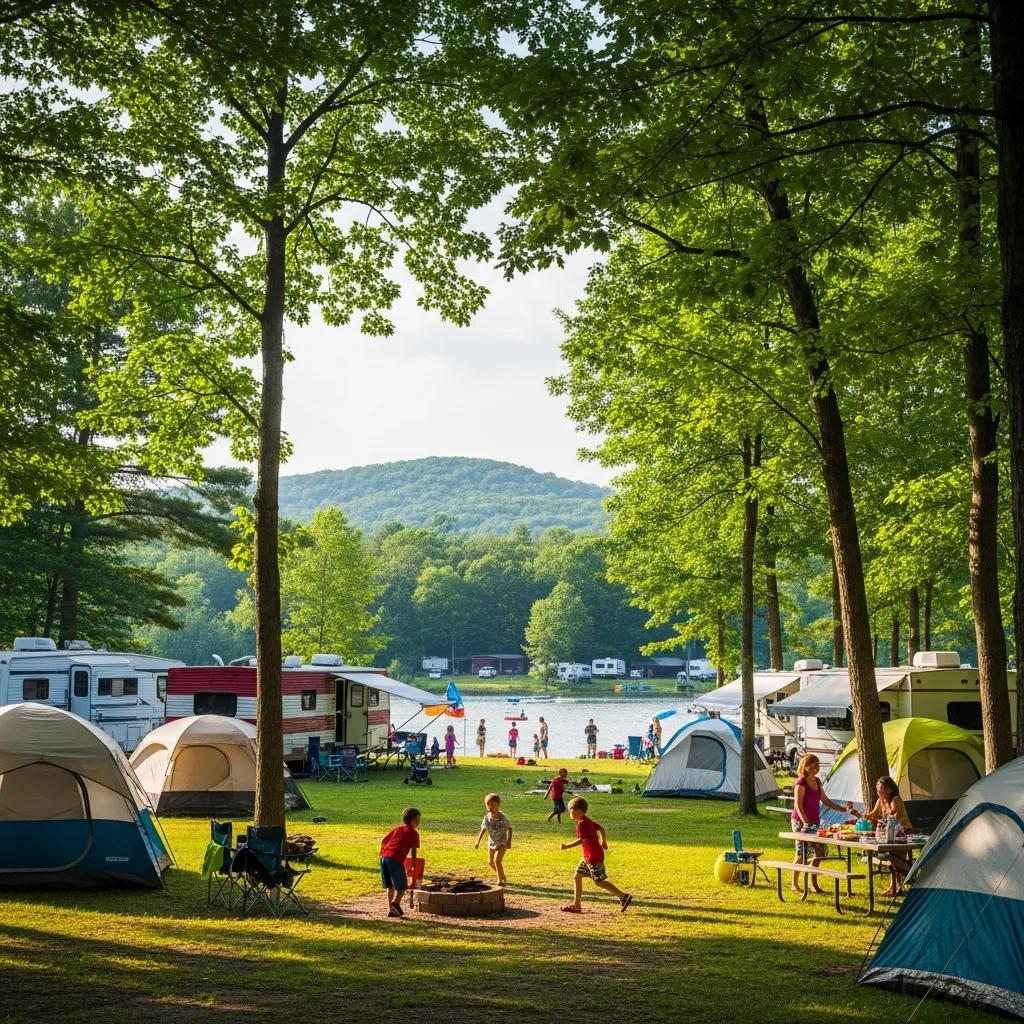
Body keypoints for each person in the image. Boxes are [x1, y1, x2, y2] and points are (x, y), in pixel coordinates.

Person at [791, 754, 853, 894]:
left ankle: (813, 883)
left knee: (820, 852)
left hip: (815, 821)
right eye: (811, 766)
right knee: (802, 853)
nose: (814, 769)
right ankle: (794, 883)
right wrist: (805, 822)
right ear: (805, 767)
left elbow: (826, 801)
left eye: (816, 766)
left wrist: (842, 809)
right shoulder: (801, 783)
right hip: (800, 821)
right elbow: (798, 805)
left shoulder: (818, 782)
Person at [559, 796, 631, 913]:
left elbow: (582, 840)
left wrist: (566, 846)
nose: (569, 813)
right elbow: (601, 828)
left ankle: (623, 896)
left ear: (578, 811)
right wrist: (604, 842)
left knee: (599, 881)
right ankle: (576, 905)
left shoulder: (582, 824)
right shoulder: (588, 821)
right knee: (577, 876)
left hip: (593, 857)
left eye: (570, 811)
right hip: (587, 857)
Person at [851, 775, 915, 897]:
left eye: (881, 789)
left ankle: (907, 876)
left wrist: (880, 818)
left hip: (904, 833)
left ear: (890, 789)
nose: (879, 792)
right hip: (891, 834)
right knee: (892, 857)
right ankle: (896, 886)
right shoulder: (880, 801)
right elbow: (872, 814)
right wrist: (857, 814)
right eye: (878, 789)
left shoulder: (895, 799)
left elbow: (893, 812)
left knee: (895, 856)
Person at [379, 806, 421, 917]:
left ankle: (390, 909)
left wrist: (381, 853)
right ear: (413, 820)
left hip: (384, 858)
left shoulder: (398, 829)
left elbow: (384, 841)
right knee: (402, 887)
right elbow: (413, 850)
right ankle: (396, 903)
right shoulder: (414, 833)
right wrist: (413, 864)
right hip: (395, 859)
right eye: (418, 820)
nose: (418, 822)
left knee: (390, 887)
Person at [474, 792, 512, 885]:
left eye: (492, 804)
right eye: (488, 804)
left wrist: (508, 842)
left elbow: (510, 829)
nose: (490, 806)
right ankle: (502, 875)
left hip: (501, 842)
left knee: (497, 861)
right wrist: (477, 842)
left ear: (498, 805)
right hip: (491, 842)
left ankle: (500, 880)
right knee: (490, 862)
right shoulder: (486, 818)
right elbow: (483, 829)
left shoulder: (502, 818)